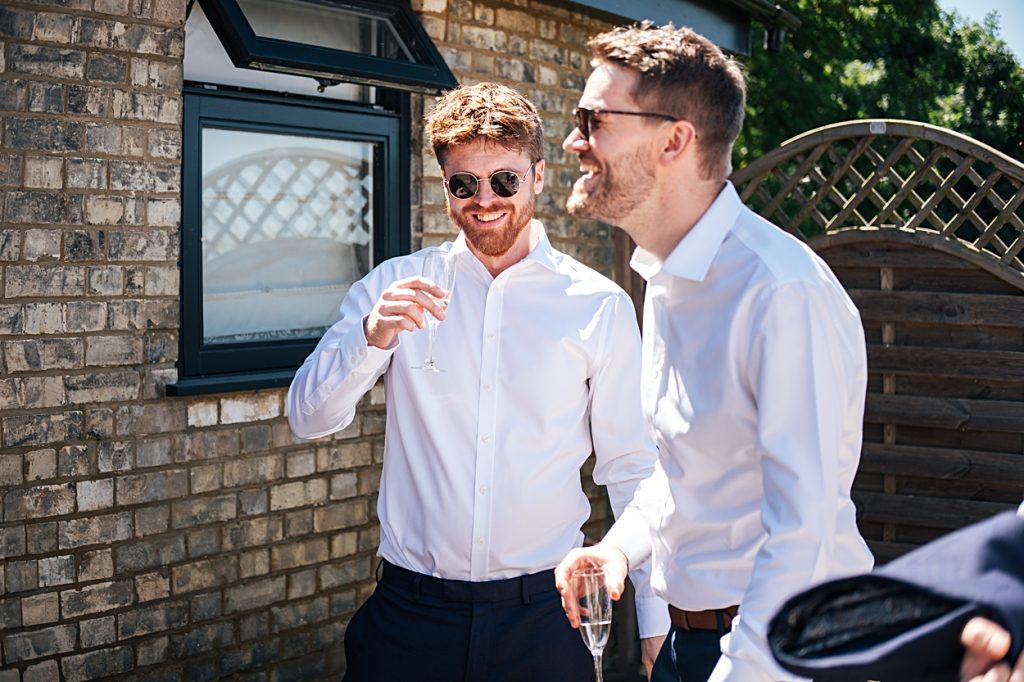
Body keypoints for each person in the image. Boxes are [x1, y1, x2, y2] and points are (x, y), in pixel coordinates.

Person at [287, 82, 667, 682]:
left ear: (538, 176)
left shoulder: (599, 305)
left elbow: (632, 467)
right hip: (411, 615)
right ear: (446, 188)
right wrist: (369, 337)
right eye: (465, 183)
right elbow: (307, 417)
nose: (484, 199)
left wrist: (653, 613)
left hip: (546, 617)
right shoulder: (395, 287)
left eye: (505, 181)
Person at [554, 23, 874, 682]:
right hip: (693, 645)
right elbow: (685, 474)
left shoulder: (780, 291)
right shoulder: (669, 280)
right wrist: (618, 551)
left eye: (594, 119)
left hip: (783, 653)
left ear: (674, 139)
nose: (574, 140)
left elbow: (802, 531)